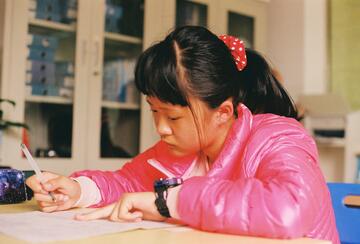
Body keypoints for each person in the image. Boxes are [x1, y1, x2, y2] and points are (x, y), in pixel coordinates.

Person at [26, 26, 339, 243]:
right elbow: (127, 183)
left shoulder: (278, 136)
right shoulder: (177, 150)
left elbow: (287, 211)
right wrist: (79, 190)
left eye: (173, 116)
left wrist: (167, 203)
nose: (161, 127)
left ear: (223, 113)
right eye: (154, 111)